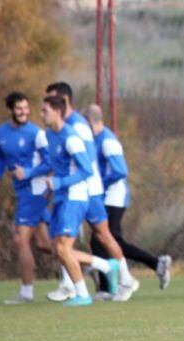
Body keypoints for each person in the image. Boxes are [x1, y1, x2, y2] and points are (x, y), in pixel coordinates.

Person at [44, 82, 138, 302]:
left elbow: (86, 163)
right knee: (64, 242)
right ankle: (73, 283)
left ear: (62, 102)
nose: (46, 107)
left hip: (87, 190)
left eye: (51, 100)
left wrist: (63, 182)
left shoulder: (77, 126)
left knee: (99, 236)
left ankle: (122, 278)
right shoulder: (58, 129)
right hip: (74, 189)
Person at [83, 104, 172, 297]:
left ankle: (112, 287)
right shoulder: (94, 139)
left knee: (106, 239)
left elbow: (120, 170)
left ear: (90, 122)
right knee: (103, 240)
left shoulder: (108, 141)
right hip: (105, 196)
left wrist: (100, 185)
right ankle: (153, 266)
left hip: (114, 197)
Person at [0, 92, 52, 304]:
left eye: (26, 108)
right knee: (44, 243)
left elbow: (49, 163)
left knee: (20, 239)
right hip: (21, 191)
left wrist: (28, 172)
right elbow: (0, 158)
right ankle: (88, 264)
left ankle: (26, 292)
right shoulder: (0, 133)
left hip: (35, 189)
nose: (24, 112)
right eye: (19, 109)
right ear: (10, 110)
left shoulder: (37, 133)